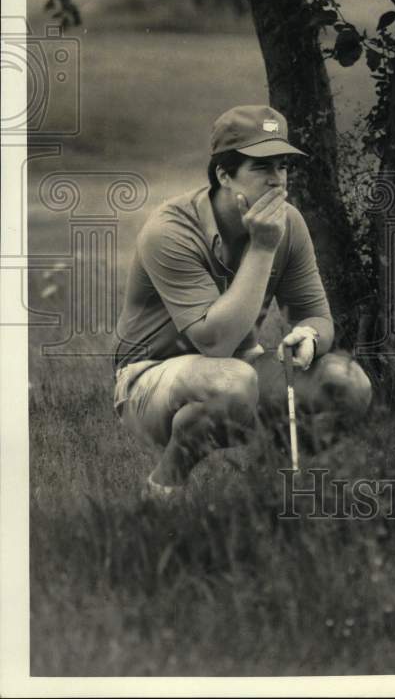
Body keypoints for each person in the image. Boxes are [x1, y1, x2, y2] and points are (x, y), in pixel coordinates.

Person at [113, 104, 372, 499]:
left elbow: (318, 316)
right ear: (223, 173)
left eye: (283, 166)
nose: (277, 181)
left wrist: (310, 337)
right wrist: (263, 246)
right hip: (149, 378)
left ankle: (267, 488)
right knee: (234, 381)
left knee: (347, 383)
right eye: (262, 167)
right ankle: (162, 491)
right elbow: (214, 343)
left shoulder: (289, 222)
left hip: (237, 365)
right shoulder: (170, 229)